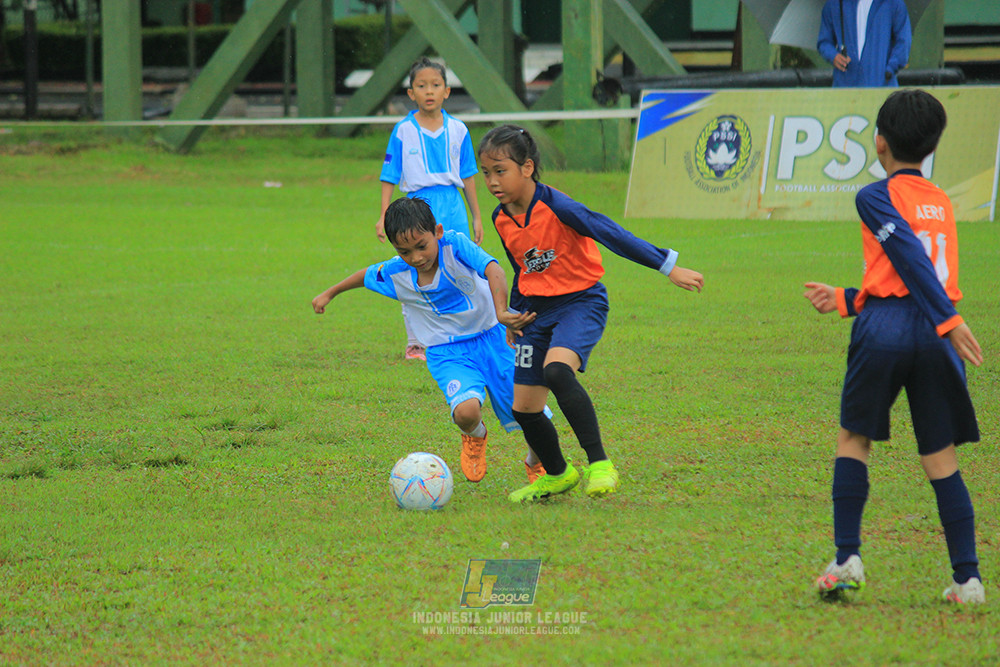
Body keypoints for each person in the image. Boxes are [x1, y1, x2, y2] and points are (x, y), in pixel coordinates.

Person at [804, 90, 984, 604]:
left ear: (879, 142)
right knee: (941, 457)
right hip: (933, 333)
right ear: (931, 148)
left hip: (893, 326)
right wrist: (847, 298)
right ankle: (968, 580)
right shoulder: (941, 200)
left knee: (853, 438)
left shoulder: (873, 196)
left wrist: (949, 318)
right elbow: (907, 271)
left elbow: (906, 256)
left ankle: (846, 558)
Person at [478, 125, 704, 503]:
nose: (492, 181)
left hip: (581, 302)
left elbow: (609, 232)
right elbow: (522, 268)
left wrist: (667, 266)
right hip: (536, 312)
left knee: (557, 370)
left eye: (501, 171)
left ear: (527, 167)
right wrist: (514, 315)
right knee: (525, 409)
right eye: (486, 173)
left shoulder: (558, 207)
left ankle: (600, 465)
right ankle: (558, 474)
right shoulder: (501, 218)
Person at [313, 197, 544, 484]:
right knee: (466, 412)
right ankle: (475, 436)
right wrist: (330, 293)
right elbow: (366, 275)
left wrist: (501, 312)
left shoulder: (454, 246)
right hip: (447, 351)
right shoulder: (397, 273)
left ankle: (536, 461)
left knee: (530, 411)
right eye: (404, 251)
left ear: (437, 232)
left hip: (495, 337)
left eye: (421, 246)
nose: (416, 257)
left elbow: (493, 269)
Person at [377, 57, 483, 362]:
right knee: (415, 269)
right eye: (421, 86)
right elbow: (389, 175)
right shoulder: (402, 130)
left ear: (447, 91)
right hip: (418, 204)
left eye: (435, 85)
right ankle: (416, 343)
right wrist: (383, 214)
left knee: (461, 265)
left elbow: (468, 175)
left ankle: (470, 333)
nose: (429, 91)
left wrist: (476, 216)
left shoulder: (459, 129)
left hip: (453, 204)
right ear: (411, 93)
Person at [817, 0, 911, 87]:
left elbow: (903, 43)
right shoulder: (834, 4)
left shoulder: (893, 4)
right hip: (845, 86)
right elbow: (824, 42)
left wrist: (890, 69)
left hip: (882, 86)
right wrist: (833, 56)